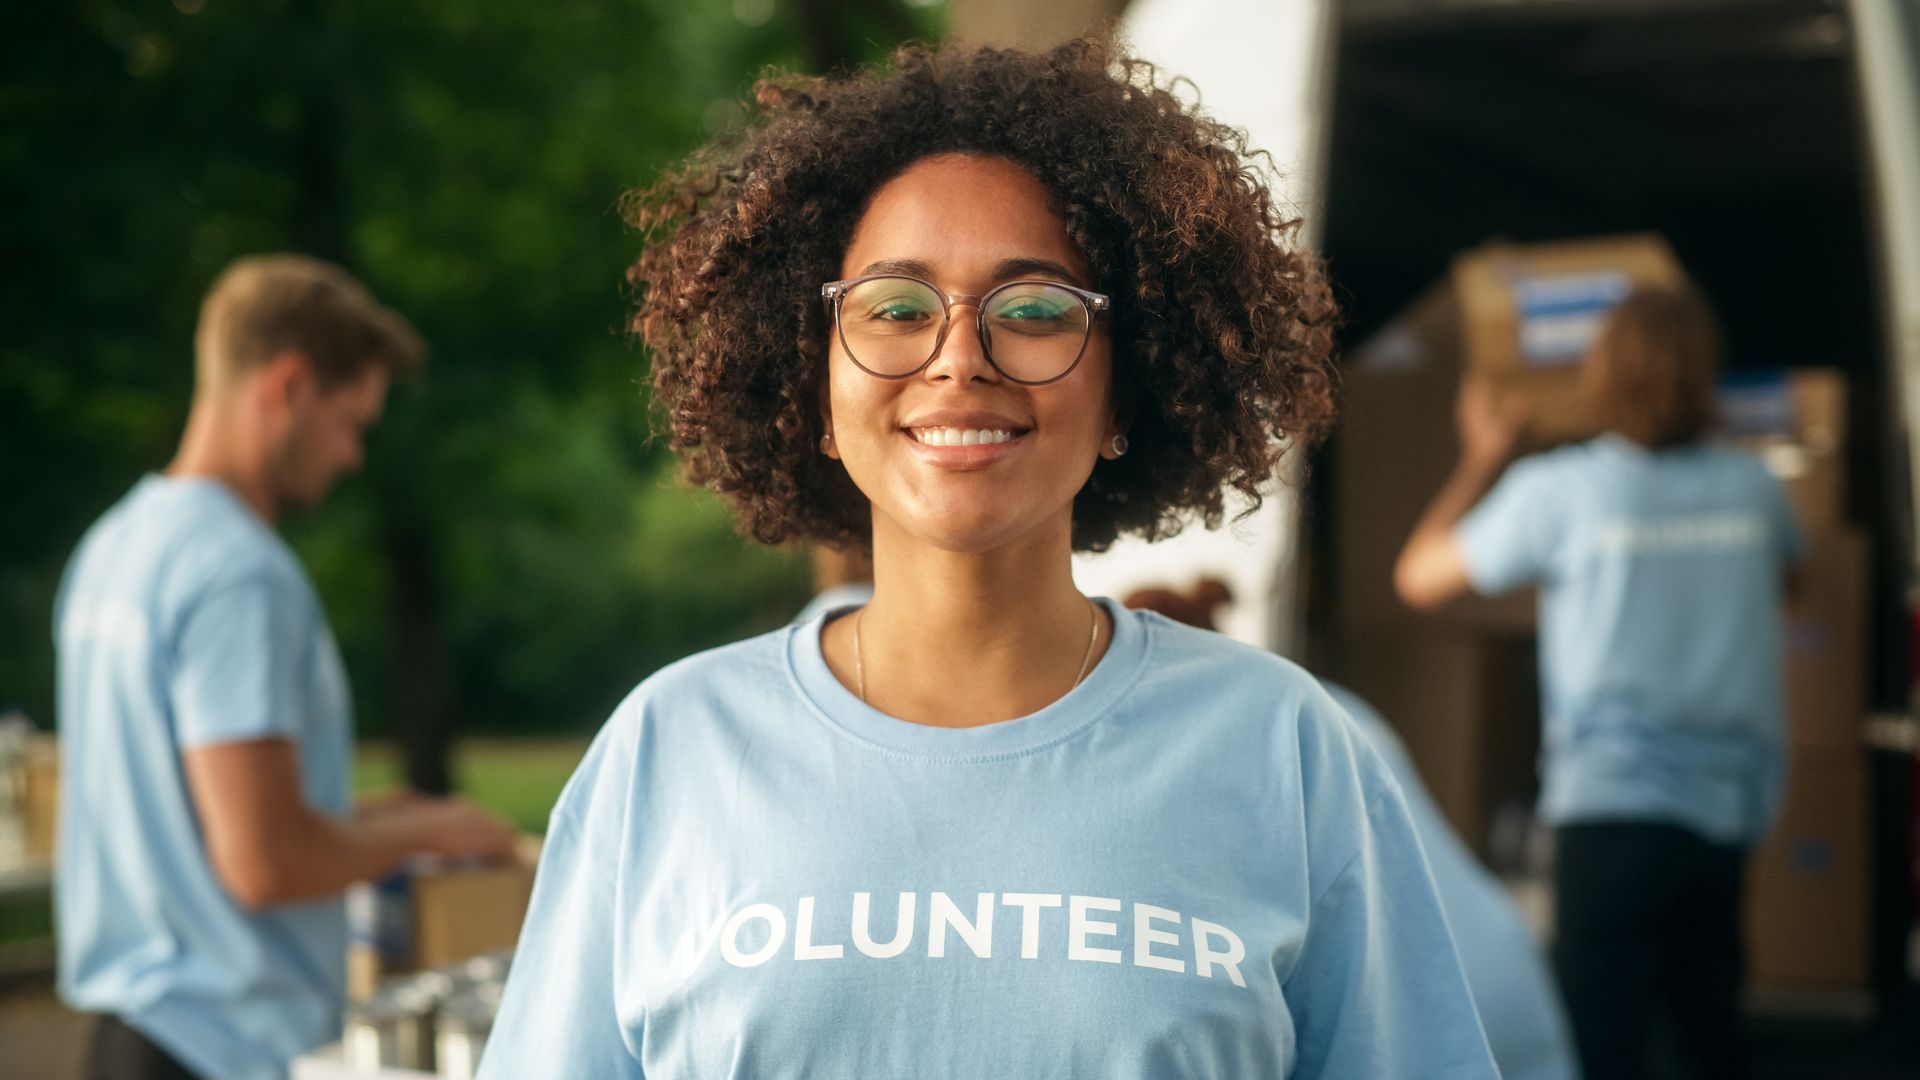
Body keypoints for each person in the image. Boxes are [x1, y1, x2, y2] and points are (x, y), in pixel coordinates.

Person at [480, 39, 1497, 1078]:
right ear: (815, 390)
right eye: (896, 309)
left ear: (1125, 393)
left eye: (1036, 310)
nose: (959, 356)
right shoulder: (670, 750)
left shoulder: (1283, 748)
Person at [54, 255, 520, 1080]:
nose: (351, 458)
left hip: (126, 1030)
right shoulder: (237, 571)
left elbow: (190, 819)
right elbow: (263, 861)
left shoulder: (114, 547)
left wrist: (383, 815)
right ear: (288, 386)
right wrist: (435, 831)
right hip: (218, 1043)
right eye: (352, 423)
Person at [1394, 286, 1802, 1080]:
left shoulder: (1563, 492)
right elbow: (1792, 586)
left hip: (1610, 811)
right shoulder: (1756, 492)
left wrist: (1483, 456)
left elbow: (1418, 576)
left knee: (1594, 1051)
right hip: (1727, 812)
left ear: (1603, 373)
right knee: (1709, 1038)